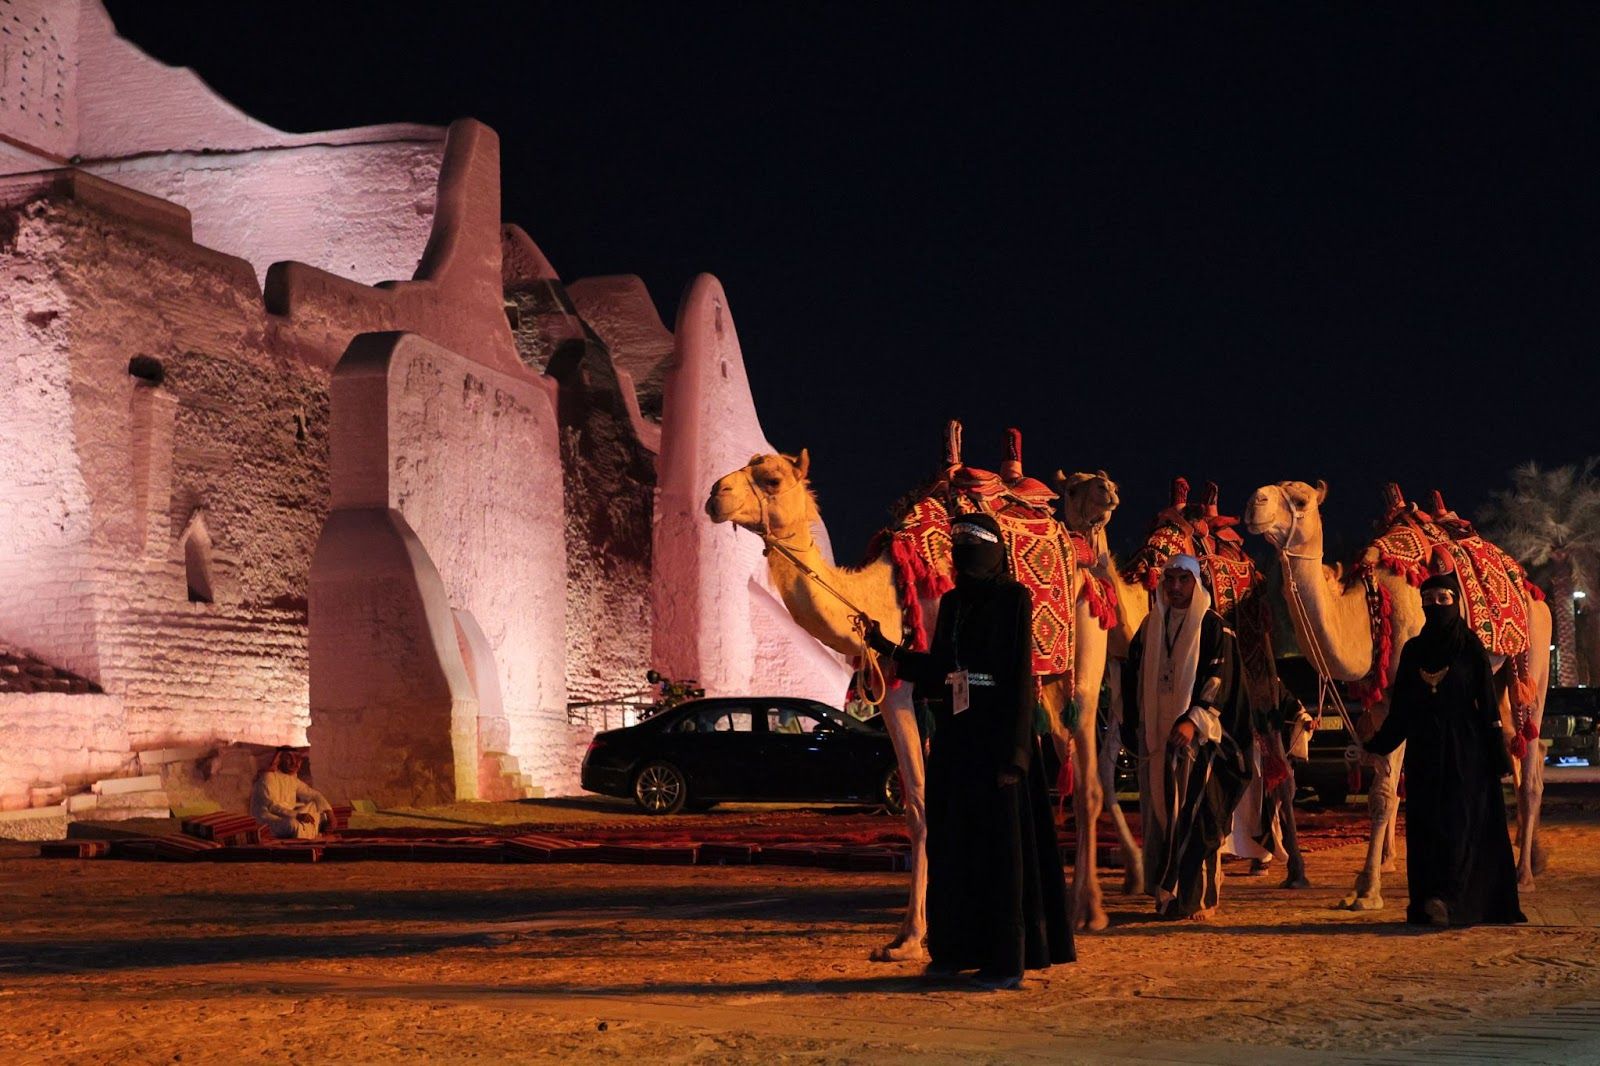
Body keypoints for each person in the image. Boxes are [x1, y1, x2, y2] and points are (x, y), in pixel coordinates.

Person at [863, 512, 1073, 989]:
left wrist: (1017, 756)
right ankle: (954, 949)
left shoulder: (1013, 599)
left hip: (997, 738)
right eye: (958, 545)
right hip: (958, 739)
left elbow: (1019, 679)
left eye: (973, 544)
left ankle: (1005, 961)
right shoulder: (955, 603)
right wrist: (884, 645)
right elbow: (939, 668)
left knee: (999, 851)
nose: (963, 554)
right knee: (954, 844)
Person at [1363, 572, 1525, 927]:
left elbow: (1487, 704)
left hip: (1467, 751)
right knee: (1426, 826)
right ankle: (1428, 901)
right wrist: (1376, 746)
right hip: (1424, 750)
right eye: (1429, 600)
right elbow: (1402, 709)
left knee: (1459, 822)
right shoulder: (1414, 651)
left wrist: (1497, 754)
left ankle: (1449, 900)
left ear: (1456, 602)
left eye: (1443, 600)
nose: (1435, 606)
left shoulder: (1470, 647)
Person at [1121, 554, 1250, 919]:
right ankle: (1168, 893)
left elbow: (1219, 678)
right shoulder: (1151, 625)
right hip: (1158, 737)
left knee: (1195, 814)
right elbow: (1132, 672)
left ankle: (1200, 899)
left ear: (1197, 583)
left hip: (1197, 741)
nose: (1175, 587)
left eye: (1183, 580)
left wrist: (1194, 719)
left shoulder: (1213, 627)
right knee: (1163, 816)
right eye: (1170, 580)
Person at [251, 747, 334, 840]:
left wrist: (331, 815)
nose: (295, 763)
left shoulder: (292, 779)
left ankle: (307, 834)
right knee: (291, 824)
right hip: (269, 818)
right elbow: (272, 806)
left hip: (290, 816)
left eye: (298, 759)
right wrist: (297, 815)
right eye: (290, 758)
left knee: (315, 806)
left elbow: (315, 795)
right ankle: (309, 835)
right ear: (280, 758)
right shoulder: (268, 777)